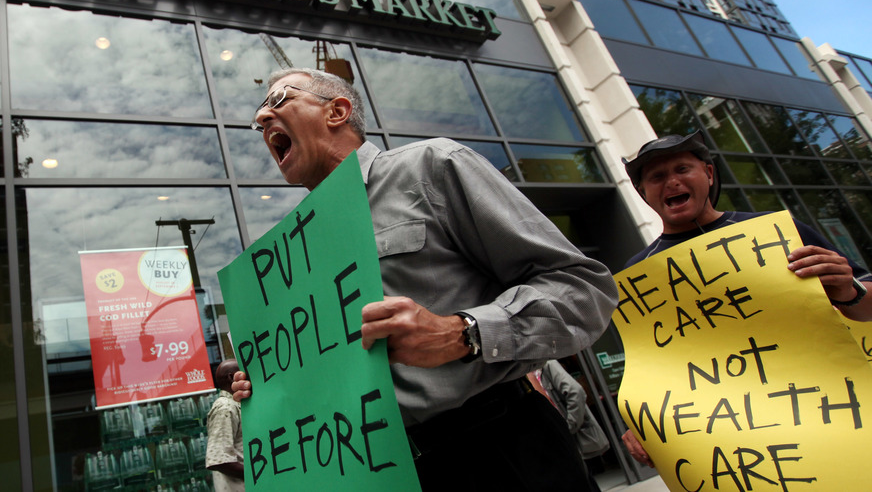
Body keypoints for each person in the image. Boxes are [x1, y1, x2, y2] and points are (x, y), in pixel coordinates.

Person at [232, 67, 618, 490]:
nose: (263, 118)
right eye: (259, 114)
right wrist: (275, 387)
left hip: (499, 449)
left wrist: (462, 332)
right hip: (387, 473)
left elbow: (583, 287)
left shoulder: (431, 167)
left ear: (337, 111)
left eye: (279, 100)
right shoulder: (297, 253)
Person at [618, 130, 872, 467]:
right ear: (642, 193)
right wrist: (642, 420)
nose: (672, 182)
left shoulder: (775, 233)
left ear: (708, 174)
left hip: (829, 418)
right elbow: (649, 367)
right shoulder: (640, 275)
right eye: (657, 177)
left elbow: (866, 309)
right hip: (739, 452)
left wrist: (849, 291)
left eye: (682, 169)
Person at [537, 359, 610, 488]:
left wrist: (569, 426)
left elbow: (575, 392)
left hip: (566, 441)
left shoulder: (546, 365)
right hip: (552, 446)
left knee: (582, 480)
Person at [205, 359, 244, 492]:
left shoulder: (237, 404)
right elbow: (219, 460)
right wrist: (258, 474)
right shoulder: (225, 407)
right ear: (232, 377)